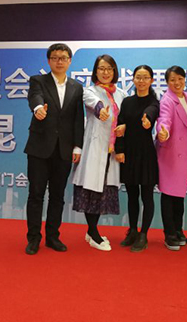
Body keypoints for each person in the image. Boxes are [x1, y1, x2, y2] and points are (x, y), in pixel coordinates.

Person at [24, 43, 84, 255]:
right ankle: (33, 238)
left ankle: (52, 237)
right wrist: (38, 108)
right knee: (36, 195)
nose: (59, 61)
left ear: (70, 61)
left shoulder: (77, 87)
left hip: (64, 150)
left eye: (63, 58)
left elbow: (78, 119)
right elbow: (35, 97)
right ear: (49, 60)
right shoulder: (38, 81)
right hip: (39, 148)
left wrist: (77, 146)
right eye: (55, 57)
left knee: (57, 196)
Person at [73, 55, 127, 251]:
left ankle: (91, 232)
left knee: (103, 190)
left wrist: (124, 126)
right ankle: (93, 232)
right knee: (92, 190)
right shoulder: (89, 91)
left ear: (114, 71)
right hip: (94, 147)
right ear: (95, 71)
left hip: (112, 150)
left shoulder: (121, 94)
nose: (105, 72)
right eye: (101, 68)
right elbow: (94, 103)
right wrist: (100, 110)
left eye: (109, 69)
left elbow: (126, 117)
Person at [114, 65, 160, 252]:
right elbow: (119, 126)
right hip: (129, 153)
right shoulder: (127, 102)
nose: (141, 81)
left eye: (145, 77)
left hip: (146, 154)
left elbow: (151, 112)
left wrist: (147, 120)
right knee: (132, 195)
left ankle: (144, 234)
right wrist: (119, 150)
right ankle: (132, 230)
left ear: (151, 80)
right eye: (138, 77)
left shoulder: (154, 102)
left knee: (147, 196)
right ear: (133, 79)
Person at [156, 66, 187, 251]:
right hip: (171, 154)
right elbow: (164, 119)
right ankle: (169, 233)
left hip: (185, 154)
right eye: (172, 80)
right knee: (168, 194)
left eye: (180, 79)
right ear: (167, 82)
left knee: (179, 196)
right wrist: (162, 131)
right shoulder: (167, 100)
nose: (177, 83)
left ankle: (178, 230)